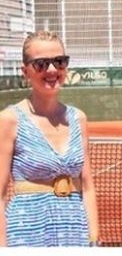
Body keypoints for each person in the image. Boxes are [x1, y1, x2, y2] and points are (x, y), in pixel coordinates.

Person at [0, 32, 98, 246]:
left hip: (74, 230)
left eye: (59, 62)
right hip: (25, 233)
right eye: (41, 64)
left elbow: (87, 185)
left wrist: (94, 239)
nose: (52, 70)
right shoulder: (9, 120)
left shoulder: (78, 119)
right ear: (25, 71)